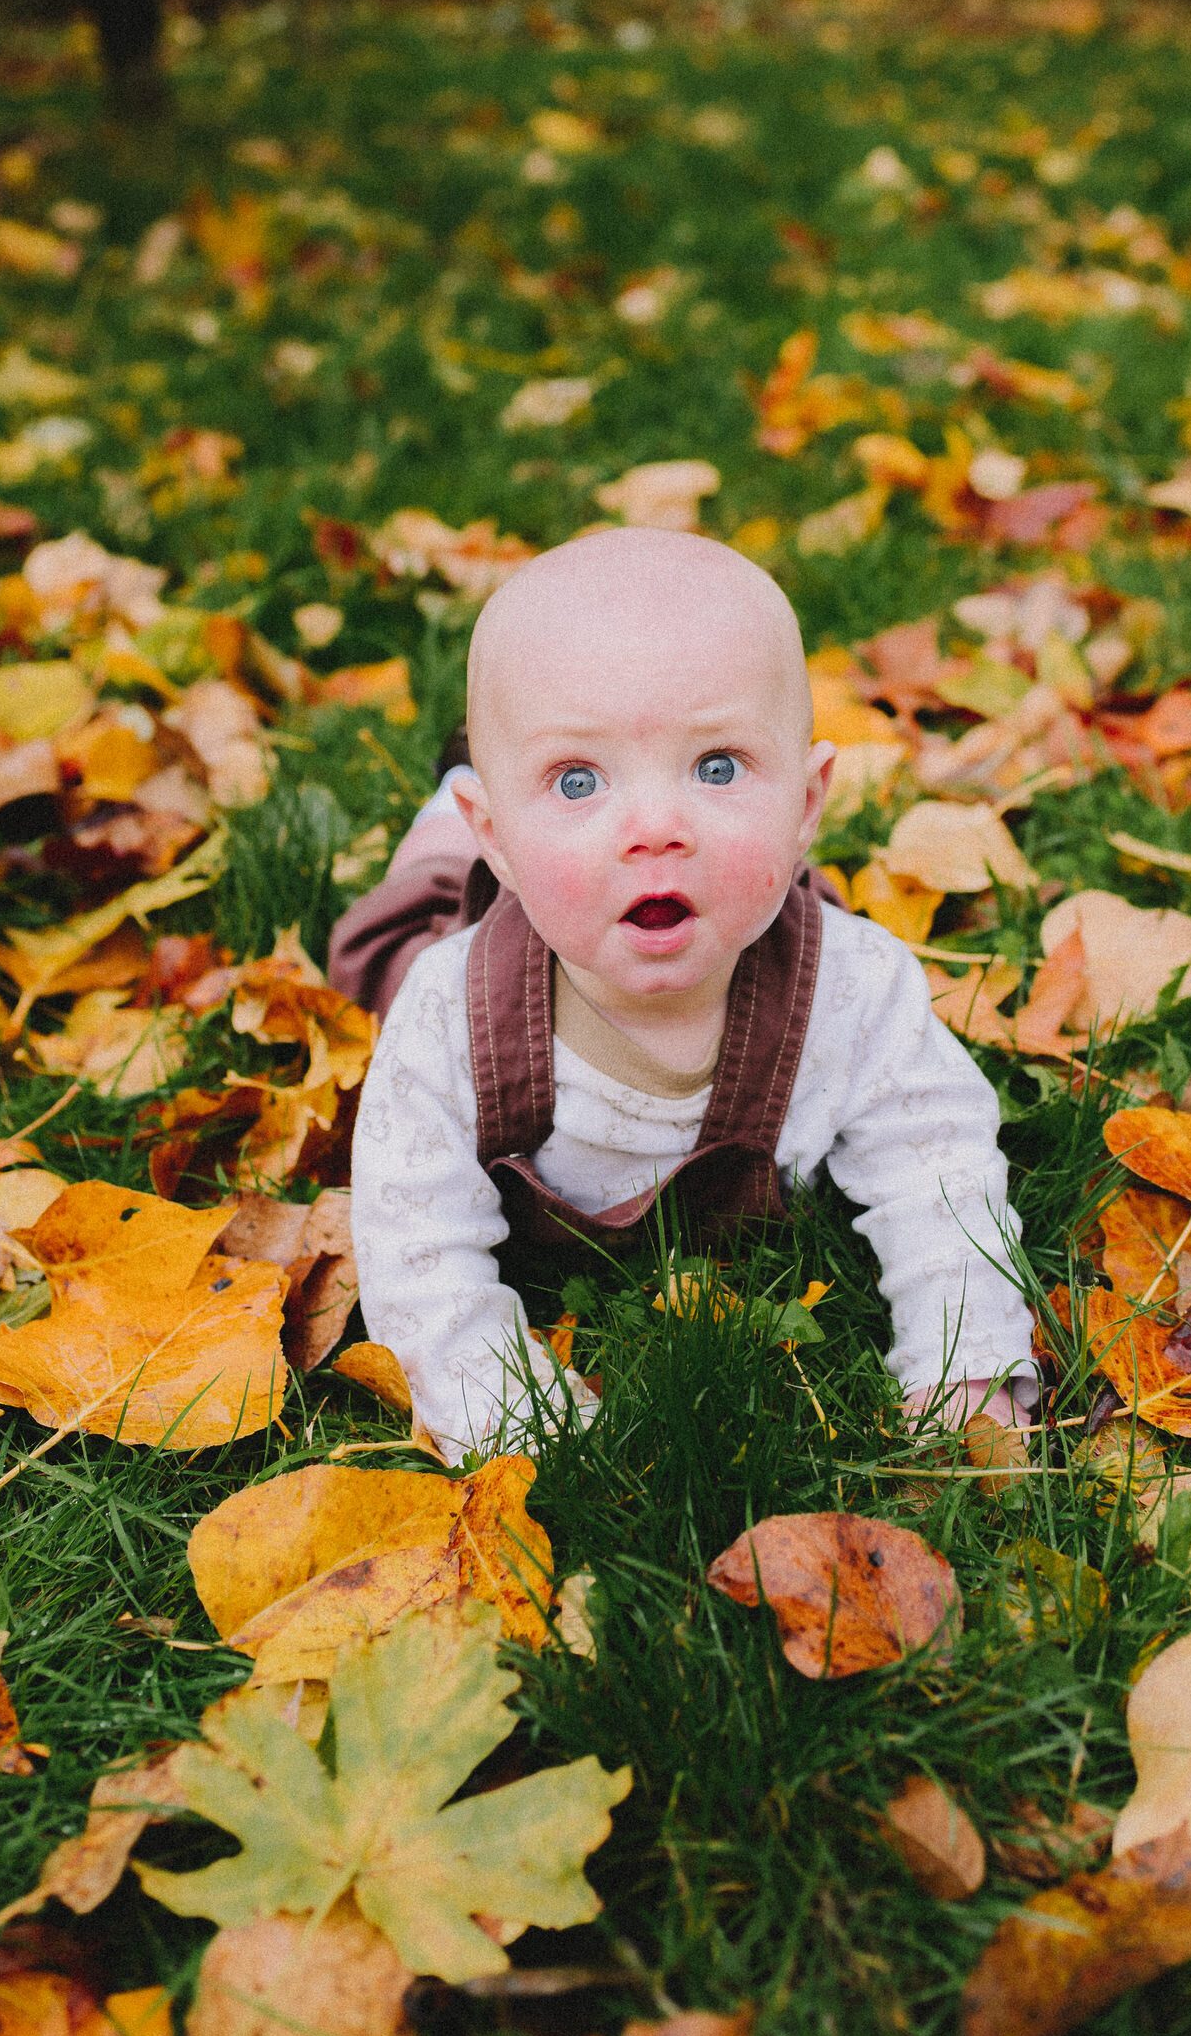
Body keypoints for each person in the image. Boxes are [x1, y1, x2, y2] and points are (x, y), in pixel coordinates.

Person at [339, 527, 1036, 1462]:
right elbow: (414, 1246)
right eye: (577, 780)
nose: (657, 828)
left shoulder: (855, 992)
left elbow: (940, 1172)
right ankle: (447, 811)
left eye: (717, 767)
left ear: (806, 804)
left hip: (748, 923)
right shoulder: (448, 1016)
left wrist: (970, 1369)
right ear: (499, 837)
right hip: (472, 932)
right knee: (397, 932)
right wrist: (514, 1420)